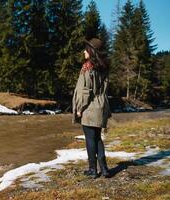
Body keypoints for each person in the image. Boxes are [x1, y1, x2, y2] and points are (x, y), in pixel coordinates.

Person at [72, 38, 112, 178]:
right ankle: (105, 169)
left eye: (86, 49)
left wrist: (80, 108)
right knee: (98, 138)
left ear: (91, 51)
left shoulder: (87, 67)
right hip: (101, 106)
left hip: (89, 107)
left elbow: (85, 91)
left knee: (90, 138)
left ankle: (92, 170)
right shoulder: (104, 67)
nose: (84, 51)